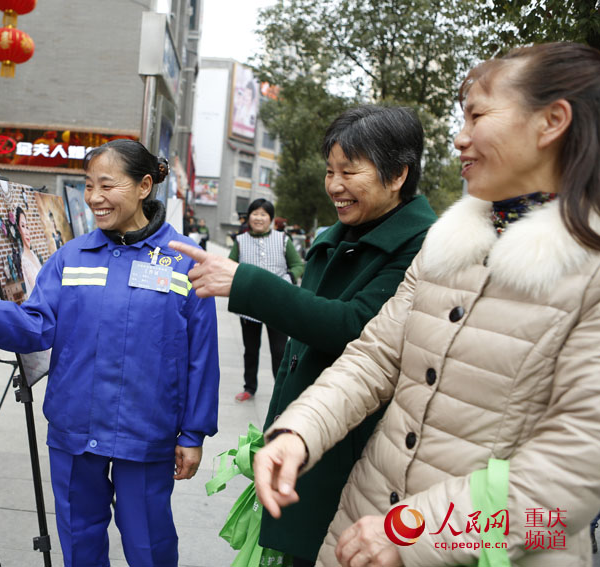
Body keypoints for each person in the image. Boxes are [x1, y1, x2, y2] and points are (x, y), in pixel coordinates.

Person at [253, 42, 600, 567]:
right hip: (362, 530)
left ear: (552, 122)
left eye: (477, 116)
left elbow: (570, 479)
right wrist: (299, 431)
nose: (460, 138)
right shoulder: (447, 244)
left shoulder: (589, 272)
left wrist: (413, 533)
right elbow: (375, 356)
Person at [0, 139, 220, 567]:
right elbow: (36, 325)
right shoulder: (72, 257)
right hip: (74, 429)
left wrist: (193, 434)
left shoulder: (183, 260)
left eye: (107, 185)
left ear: (144, 186)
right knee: (79, 543)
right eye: (88, 186)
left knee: (149, 544)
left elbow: (201, 357)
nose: (94, 197)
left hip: (146, 431)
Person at [169, 104, 437, 565]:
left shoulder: (423, 247)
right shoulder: (340, 235)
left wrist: (247, 283)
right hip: (304, 436)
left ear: (398, 175)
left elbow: (354, 329)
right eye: (330, 171)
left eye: (349, 171)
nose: (334, 185)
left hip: (353, 456)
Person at [229, 198, 305, 403]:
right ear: (249, 217)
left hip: (277, 303)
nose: (259, 218)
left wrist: (288, 279)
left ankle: (281, 391)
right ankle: (249, 387)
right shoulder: (240, 241)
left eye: (264, 214)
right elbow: (229, 266)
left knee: (279, 351)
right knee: (250, 350)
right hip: (249, 305)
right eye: (255, 213)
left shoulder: (283, 239)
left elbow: (298, 265)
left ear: (270, 218)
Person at [15, 206, 43, 295]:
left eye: (27, 227)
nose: (27, 232)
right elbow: (36, 289)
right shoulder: (24, 260)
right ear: (19, 229)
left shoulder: (32, 254)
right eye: (23, 226)